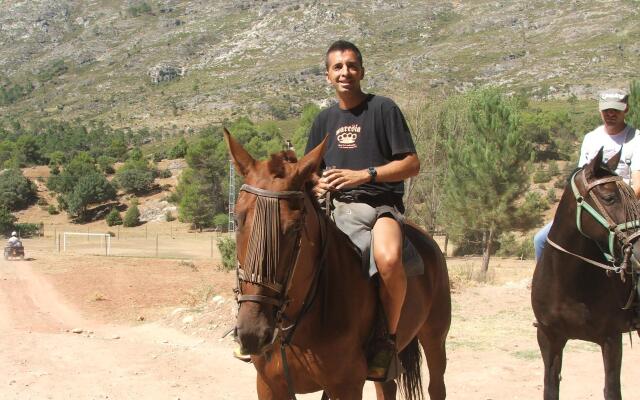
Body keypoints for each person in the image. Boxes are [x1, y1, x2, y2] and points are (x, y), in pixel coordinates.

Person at [304, 40, 419, 380]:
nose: (345, 72)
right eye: (337, 67)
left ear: (362, 71)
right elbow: (309, 168)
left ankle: (385, 338)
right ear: (327, 76)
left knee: (389, 259)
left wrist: (364, 174)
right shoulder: (323, 120)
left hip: (380, 206)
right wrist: (316, 184)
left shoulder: (383, 109)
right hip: (336, 209)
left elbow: (412, 164)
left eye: (352, 65)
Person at [534, 88, 640, 260]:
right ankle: (540, 286)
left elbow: (638, 186)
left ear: (626, 109)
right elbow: (581, 179)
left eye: (616, 110)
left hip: (626, 210)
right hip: (592, 208)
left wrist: (612, 210)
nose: (610, 114)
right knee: (540, 240)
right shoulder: (591, 138)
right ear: (600, 110)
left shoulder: (636, 139)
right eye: (606, 110)